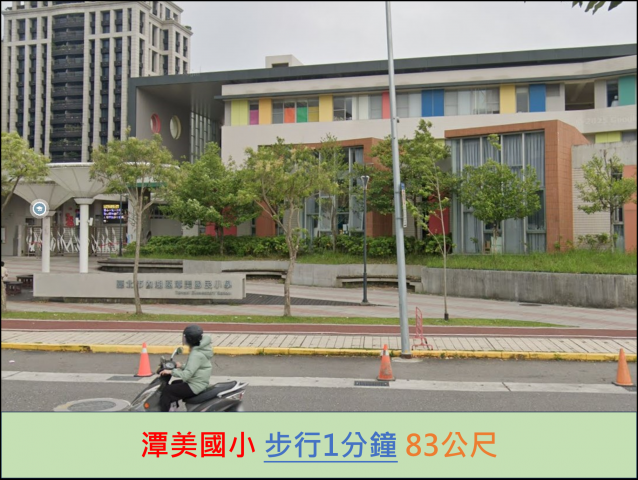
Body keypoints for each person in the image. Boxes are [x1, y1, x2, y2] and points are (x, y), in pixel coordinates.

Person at [159, 324, 213, 412]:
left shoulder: (195, 354)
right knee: (174, 383)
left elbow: (186, 375)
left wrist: (171, 372)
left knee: (167, 391)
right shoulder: (200, 349)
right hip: (199, 381)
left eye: (185, 337)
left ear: (190, 339)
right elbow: (195, 366)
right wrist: (181, 366)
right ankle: (172, 408)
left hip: (195, 385)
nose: (184, 339)